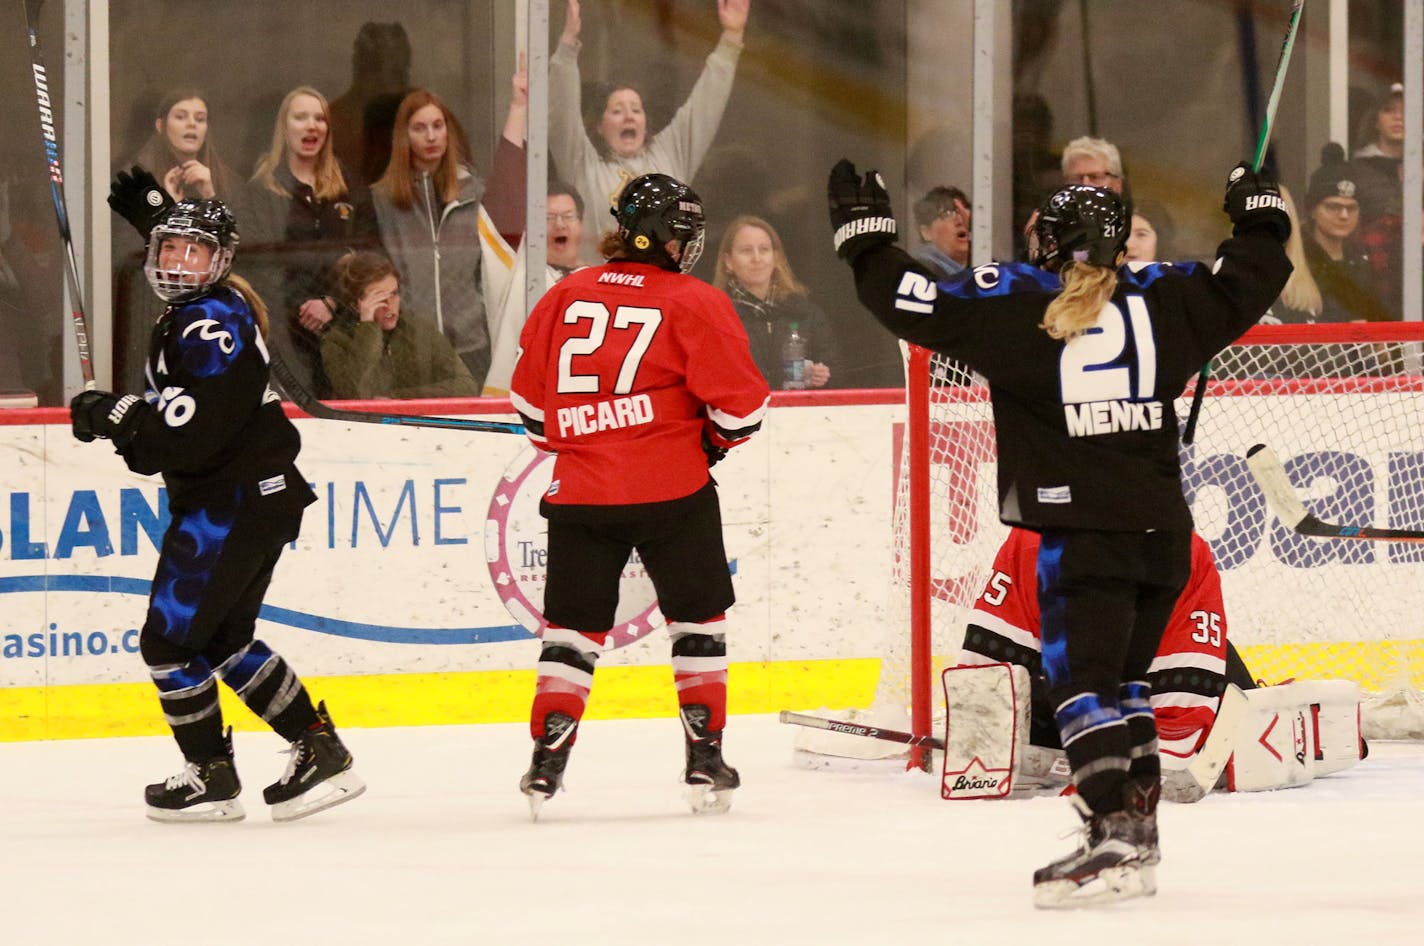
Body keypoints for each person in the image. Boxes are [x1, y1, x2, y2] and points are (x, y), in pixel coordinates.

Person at [828, 158, 1291, 906]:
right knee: (1129, 686)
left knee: (1083, 688)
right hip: (1162, 535)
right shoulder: (1165, 297)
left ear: (1050, 241)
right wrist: (1260, 213)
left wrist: (865, 238)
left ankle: (1109, 834)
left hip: (1082, 536)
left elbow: (906, 300)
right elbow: (1252, 276)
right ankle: (1136, 837)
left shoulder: (1018, 304)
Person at [74, 177, 365, 823]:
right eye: (168, 246)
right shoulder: (216, 306)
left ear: (221, 261)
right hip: (255, 496)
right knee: (223, 639)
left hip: (229, 502)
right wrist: (160, 214)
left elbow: (185, 437)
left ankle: (210, 774)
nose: (177, 261)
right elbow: (188, 428)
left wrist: (112, 413)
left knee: (170, 643)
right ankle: (318, 751)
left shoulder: (208, 323)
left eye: (193, 252)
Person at [508, 173, 770, 819]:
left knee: (570, 636)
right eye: (682, 234)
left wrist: (588, 432)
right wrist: (704, 442)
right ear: (659, 236)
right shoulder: (695, 300)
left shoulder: (565, 292)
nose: (688, 246)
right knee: (697, 623)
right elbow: (744, 411)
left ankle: (546, 765)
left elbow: (532, 414)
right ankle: (705, 760)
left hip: (580, 496)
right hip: (673, 493)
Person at [550, 0, 749, 257]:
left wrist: (731, 38)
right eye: (617, 111)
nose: (629, 117)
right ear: (600, 126)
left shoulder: (668, 155)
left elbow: (705, 105)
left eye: (636, 109)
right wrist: (567, 46)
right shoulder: (583, 166)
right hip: (606, 290)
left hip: (659, 289)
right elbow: (561, 114)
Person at [371, 70, 527, 391]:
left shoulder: (475, 192)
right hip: (412, 344)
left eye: (438, 126)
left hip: (471, 344)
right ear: (404, 136)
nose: (431, 137)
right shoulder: (383, 199)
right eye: (420, 128)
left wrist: (519, 105)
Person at [243, 85, 378, 399]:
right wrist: (298, 308)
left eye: (319, 118)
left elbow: (372, 256)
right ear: (284, 127)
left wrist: (332, 302)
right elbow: (256, 262)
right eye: (300, 117)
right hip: (282, 334)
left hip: (346, 330)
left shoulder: (351, 187)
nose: (311, 125)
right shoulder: (260, 191)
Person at [113, 91, 243, 393]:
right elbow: (122, 254)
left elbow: (245, 251)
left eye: (200, 118)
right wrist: (168, 211)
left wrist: (212, 196)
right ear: (160, 125)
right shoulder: (138, 180)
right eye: (181, 116)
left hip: (213, 317)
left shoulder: (227, 181)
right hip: (149, 314)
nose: (192, 125)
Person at [320, 251, 478, 399]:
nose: (390, 306)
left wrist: (398, 399)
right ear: (356, 305)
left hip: (420, 422)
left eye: (394, 294)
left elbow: (466, 386)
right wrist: (368, 327)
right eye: (379, 300)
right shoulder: (336, 341)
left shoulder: (419, 330)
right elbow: (355, 392)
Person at [712, 214, 835, 389]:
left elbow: (835, 372)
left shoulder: (807, 313)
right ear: (728, 262)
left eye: (764, 249)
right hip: (740, 414)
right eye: (746, 250)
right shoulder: (714, 317)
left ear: (776, 258)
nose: (757, 258)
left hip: (799, 414)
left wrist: (820, 375)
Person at [1300, 143, 1394, 324]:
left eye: (1351, 208)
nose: (1344, 215)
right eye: (1333, 207)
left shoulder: (1366, 261)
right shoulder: (1296, 260)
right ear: (1311, 210)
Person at [329, 21, 414, 190]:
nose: (385, 80)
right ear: (359, 68)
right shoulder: (333, 121)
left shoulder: (430, 115)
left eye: (397, 71)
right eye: (375, 68)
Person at [1352, 83, 1406, 318]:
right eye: (1389, 110)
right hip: (1377, 275)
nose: (1398, 117)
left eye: (1407, 110)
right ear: (1375, 120)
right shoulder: (1356, 169)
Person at [911, 185, 971, 280]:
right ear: (926, 232)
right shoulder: (921, 274)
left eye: (963, 213)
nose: (960, 221)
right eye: (948, 214)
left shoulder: (980, 266)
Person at [546, 180, 589, 280]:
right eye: (549, 217)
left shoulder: (596, 280)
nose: (559, 225)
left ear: (581, 224)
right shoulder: (525, 281)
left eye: (568, 216)